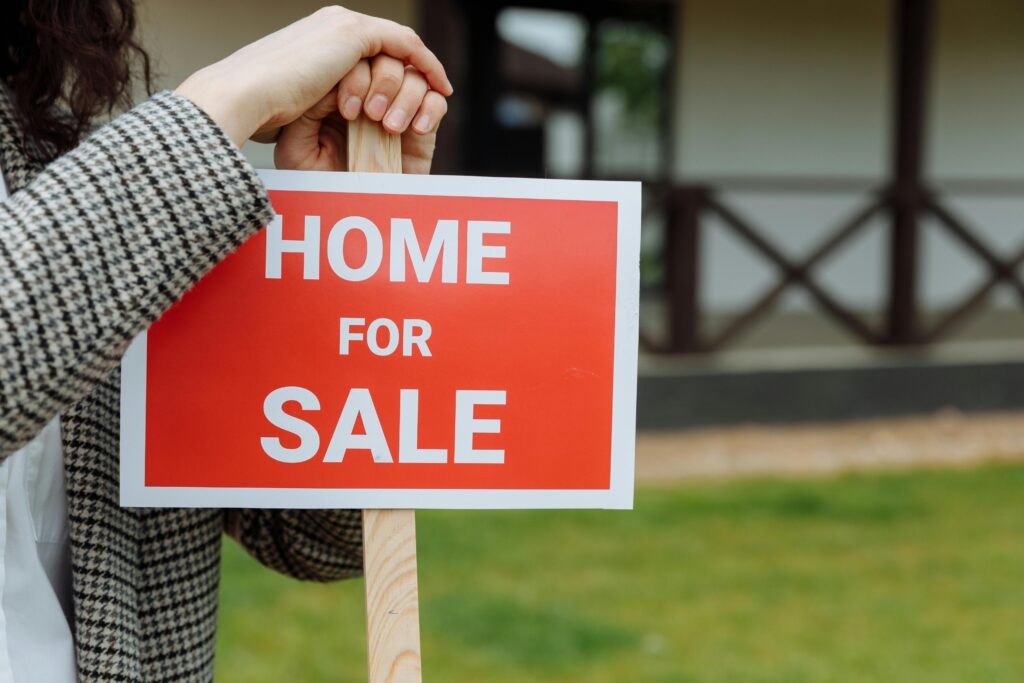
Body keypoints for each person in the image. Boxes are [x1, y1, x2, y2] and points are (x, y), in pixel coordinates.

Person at [0, 2, 450, 681]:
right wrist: (224, 103)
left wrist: (333, 249)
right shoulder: (139, 175)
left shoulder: (51, 155)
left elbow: (312, 538)